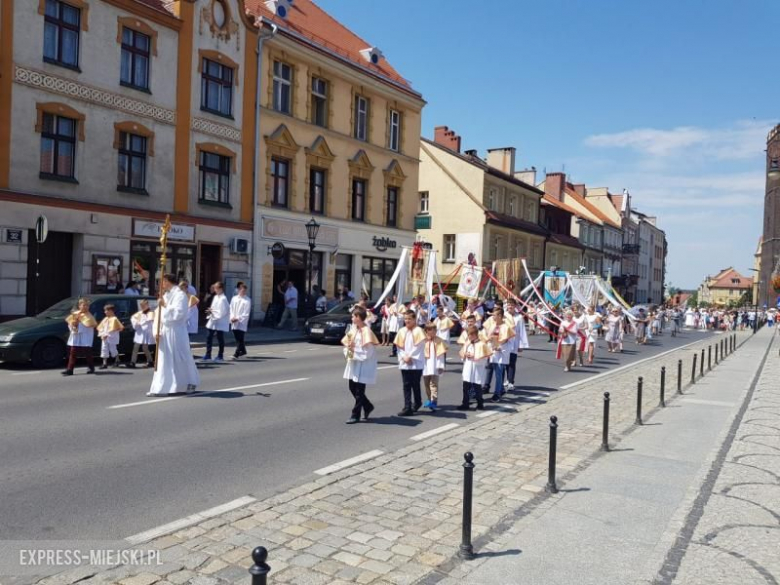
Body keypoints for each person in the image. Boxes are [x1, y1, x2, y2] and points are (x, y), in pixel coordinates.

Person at [148, 274, 199, 396]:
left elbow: (179, 314)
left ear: (167, 281)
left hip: (176, 331)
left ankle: (190, 381)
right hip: (165, 331)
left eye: (162, 282)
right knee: (164, 360)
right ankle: (161, 387)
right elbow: (158, 314)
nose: (161, 285)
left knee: (181, 356)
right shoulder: (165, 295)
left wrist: (165, 305)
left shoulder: (180, 295)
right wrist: (156, 331)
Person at [342, 306, 379, 424]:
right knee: (352, 387)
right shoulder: (353, 329)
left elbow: (368, 352)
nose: (351, 317)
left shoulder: (366, 331)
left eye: (353, 315)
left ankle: (355, 414)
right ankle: (367, 406)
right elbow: (347, 344)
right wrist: (349, 352)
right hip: (354, 363)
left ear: (358, 317)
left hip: (363, 364)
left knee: (359, 390)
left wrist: (354, 351)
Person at [394, 310, 425, 416]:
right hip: (405, 361)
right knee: (406, 385)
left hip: (416, 362)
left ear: (414, 319)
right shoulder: (402, 331)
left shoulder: (419, 331)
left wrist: (411, 356)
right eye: (405, 318)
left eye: (409, 319)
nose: (407, 321)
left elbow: (419, 346)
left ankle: (417, 402)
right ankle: (407, 407)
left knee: (415, 384)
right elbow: (399, 347)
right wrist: (404, 356)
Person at [481, 307, 515, 402]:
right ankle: (500, 390)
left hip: (501, 354)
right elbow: (488, 337)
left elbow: (509, 342)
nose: (493, 317)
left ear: (500, 316)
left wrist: (500, 347)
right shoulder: (492, 325)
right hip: (493, 352)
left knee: (499, 374)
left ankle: (497, 394)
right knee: (495, 371)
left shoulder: (506, 327)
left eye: (495, 315)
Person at [62, 298, 97, 376]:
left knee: (87, 353)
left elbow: (89, 326)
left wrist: (78, 325)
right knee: (73, 352)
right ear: (79, 306)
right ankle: (70, 369)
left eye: (87, 305)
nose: (85, 307)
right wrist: (72, 326)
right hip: (76, 335)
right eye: (83, 305)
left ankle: (91, 367)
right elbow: (70, 323)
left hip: (85, 336)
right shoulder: (75, 314)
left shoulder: (89, 316)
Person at [458, 325, 489, 411]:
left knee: (477, 387)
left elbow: (484, 358)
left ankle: (480, 403)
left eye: (470, 335)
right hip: (468, 367)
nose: (469, 337)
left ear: (475, 334)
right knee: (465, 386)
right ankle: (465, 403)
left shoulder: (482, 344)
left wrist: (474, 356)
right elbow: (462, 353)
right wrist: (465, 355)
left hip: (477, 369)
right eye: (468, 335)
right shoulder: (468, 344)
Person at [422, 323, 446, 411]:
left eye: (435, 330)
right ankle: (429, 399)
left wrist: (441, 366)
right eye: (431, 330)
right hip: (425, 366)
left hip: (435, 365)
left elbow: (441, 355)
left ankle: (434, 401)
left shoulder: (439, 341)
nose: (434, 332)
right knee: (427, 384)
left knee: (433, 384)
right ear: (427, 331)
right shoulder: (423, 341)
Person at [203, 281, 229, 362]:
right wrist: (211, 310)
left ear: (220, 289)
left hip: (220, 321)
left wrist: (214, 312)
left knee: (220, 338)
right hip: (213, 319)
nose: (214, 289)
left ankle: (220, 355)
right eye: (214, 288)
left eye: (216, 288)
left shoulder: (223, 299)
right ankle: (208, 355)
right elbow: (214, 307)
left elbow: (223, 311)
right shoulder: (215, 297)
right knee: (208, 337)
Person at [127, 299, 154, 368]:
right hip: (140, 332)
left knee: (145, 347)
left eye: (143, 305)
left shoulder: (151, 313)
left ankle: (150, 361)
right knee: (136, 347)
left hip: (146, 332)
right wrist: (136, 322)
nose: (142, 307)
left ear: (147, 305)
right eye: (141, 305)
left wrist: (141, 322)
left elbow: (149, 321)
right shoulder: (139, 313)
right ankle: (133, 362)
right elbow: (133, 318)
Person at [97, 303, 124, 369]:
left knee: (113, 349)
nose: (105, 312)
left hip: (111, 337)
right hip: (104, 337)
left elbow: (117, 329)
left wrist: (107, 335)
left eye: (106, 310)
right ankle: (104, 363)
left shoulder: (114, 319)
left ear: (111, 311)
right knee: (104, 349)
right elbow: (101, 328)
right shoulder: (105, 319)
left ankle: (117, 360)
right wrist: (102, 334)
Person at [229, 283, 251, 360]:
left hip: (241, 322)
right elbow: (231, 308)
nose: (244, 292)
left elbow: (246, 313)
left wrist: (237, 318)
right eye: (242, 290)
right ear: (239, 290)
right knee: (238, 338)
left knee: (240, 337)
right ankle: (243, 351)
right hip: (233, 320)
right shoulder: (234, 298)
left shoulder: (247, 300)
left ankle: (236, 354)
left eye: (245, 291)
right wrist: (232, 317)